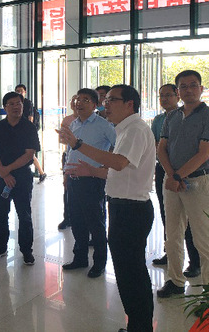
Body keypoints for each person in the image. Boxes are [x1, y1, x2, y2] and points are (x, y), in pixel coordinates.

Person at [62, 85, 155, 332]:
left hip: (131, 210)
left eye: (112, 100)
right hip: (123, 207)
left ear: (129, 104)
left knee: (132, 274)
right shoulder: (124, 129)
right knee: (128, 274)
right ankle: (137, 325)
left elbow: (119, 162)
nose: (106, 105)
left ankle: (141, 328)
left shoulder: (135, 130)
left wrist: (78, 144)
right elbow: (117, 171)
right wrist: (91, 171)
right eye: (106, 100)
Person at [156, 70, 209, 298]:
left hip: (198, 181)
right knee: (173, 235)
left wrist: (177, 177)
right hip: (172, 181)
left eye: (193, 85)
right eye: (183, 87)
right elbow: (161, 148)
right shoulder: (172, 116)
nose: (188, 90)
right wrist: (171, 176)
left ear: (201, 89)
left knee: (203, 239)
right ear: (178, 91)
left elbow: (204, 154)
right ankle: (175, 281)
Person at [60, 88, 116, 278]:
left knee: (95, 223)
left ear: (95, 105)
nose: (79, 103)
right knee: (77, 221)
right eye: (78, 99)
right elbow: (70, 151)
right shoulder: (74, 124)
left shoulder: (104, 125)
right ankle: (80, 258)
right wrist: (66, 175)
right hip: (73, 179)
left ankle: (99, 263)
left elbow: (118, 147)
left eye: (85, 100)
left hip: (92, 180)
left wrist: (105, 167)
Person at [151, 84, 201, 276]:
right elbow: (156, 144)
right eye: (161, 95)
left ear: (177, 96)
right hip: (164, 169)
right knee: (168, 215)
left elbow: (184, 146)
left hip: (186, 170)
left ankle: (195, 261)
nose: (164, 99)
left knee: (189, 218)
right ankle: (170, 254)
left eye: (168, 95)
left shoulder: (186, 116)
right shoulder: (158, 120)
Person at [0, 92, 40, 265]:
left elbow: (29, 154)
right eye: (11, 104)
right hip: (1, 177)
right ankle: (0, 247)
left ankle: (26, 250)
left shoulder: (29, 127)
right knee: (1, 214)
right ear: (5, 107)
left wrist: (7, 170)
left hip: (22, 176)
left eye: (19, 103)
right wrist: (3, 172)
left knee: (24, 215)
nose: (16, 107)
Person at [15, 84, 46, 182]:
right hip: (18, 132)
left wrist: (26, 132)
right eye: (17, 91)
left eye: (21, 91)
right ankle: (41, 173)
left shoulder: (28, 103)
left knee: (29, 154)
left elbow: (30, 119)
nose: (19, 93)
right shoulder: (16, 103)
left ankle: (41, 172)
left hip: (26, 133)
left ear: (25, 92)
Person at [58, 94, 78, 231]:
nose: (76, 103)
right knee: (67, 187)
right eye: (73, 101)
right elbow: (62, 140)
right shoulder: (67, 120)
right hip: (69, 155)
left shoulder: (92, 120)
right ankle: (67, 217)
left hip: (85, 158)